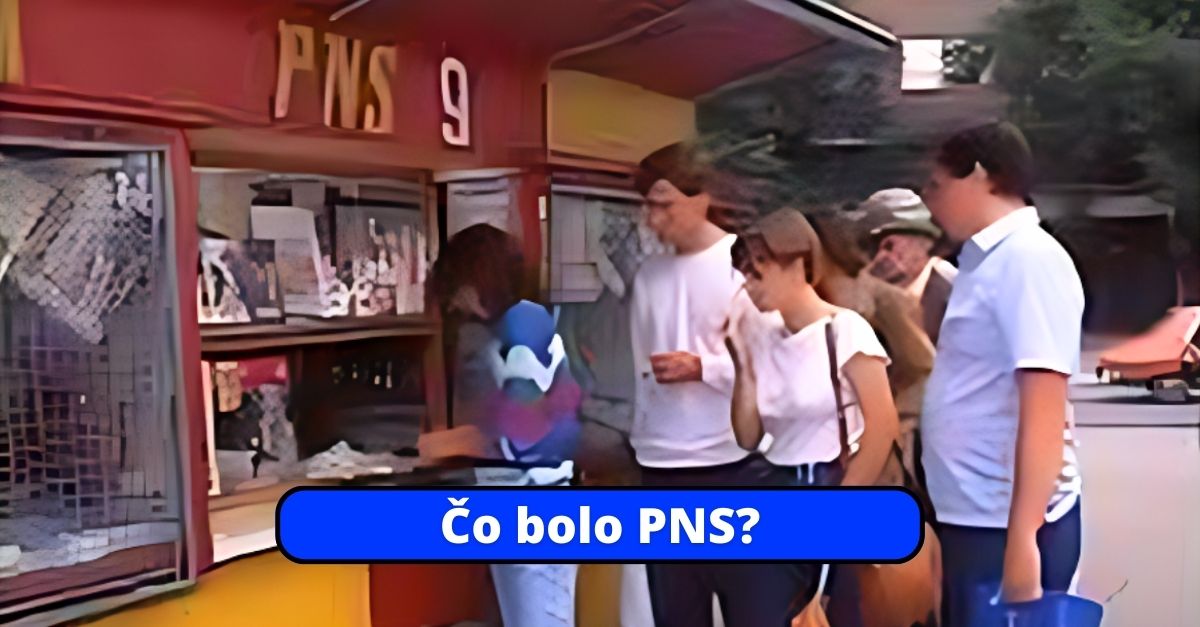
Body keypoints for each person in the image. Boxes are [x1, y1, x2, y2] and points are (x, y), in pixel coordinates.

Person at [918, 122, 1084, 626]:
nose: (929, 202)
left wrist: (1023, 540)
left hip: (1005, 524)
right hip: (975, 515)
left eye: (936, 185)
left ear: (979, 175)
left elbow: (1044, 406)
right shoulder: (984, 263)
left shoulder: (1028, 260)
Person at [724, 208, 901, 626]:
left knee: (826, 614)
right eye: (745, 274)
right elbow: (748, 436)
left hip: (827, 482)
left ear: (798, 263)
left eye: (758, 271)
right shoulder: (763, 336)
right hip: (772, 486)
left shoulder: (845, 330)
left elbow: (882, 425)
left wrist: (841, 509)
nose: (749, 285)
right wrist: (744, 366)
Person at [626, 142, 774, 627]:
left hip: (733, 464)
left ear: (701, 197)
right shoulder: (648, 275)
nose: (653, 220)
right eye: (647, 206)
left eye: (664, 204)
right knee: (675, 614)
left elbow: (775, 365)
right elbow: (640, 366)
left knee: (751, 613)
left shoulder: (743, 266)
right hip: (659, 463)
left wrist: (704, 368)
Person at [432, 223, 582, 627]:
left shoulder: (520, 329)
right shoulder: (522, 323)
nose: (453, 301)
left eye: (455, 286)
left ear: (473, 280)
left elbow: (524, 434)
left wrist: (448, 444)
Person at [863, 188, 958, 346]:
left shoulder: (965, 297)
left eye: (888, 244)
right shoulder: (854, 293)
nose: (880, 254)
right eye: (866, 243)